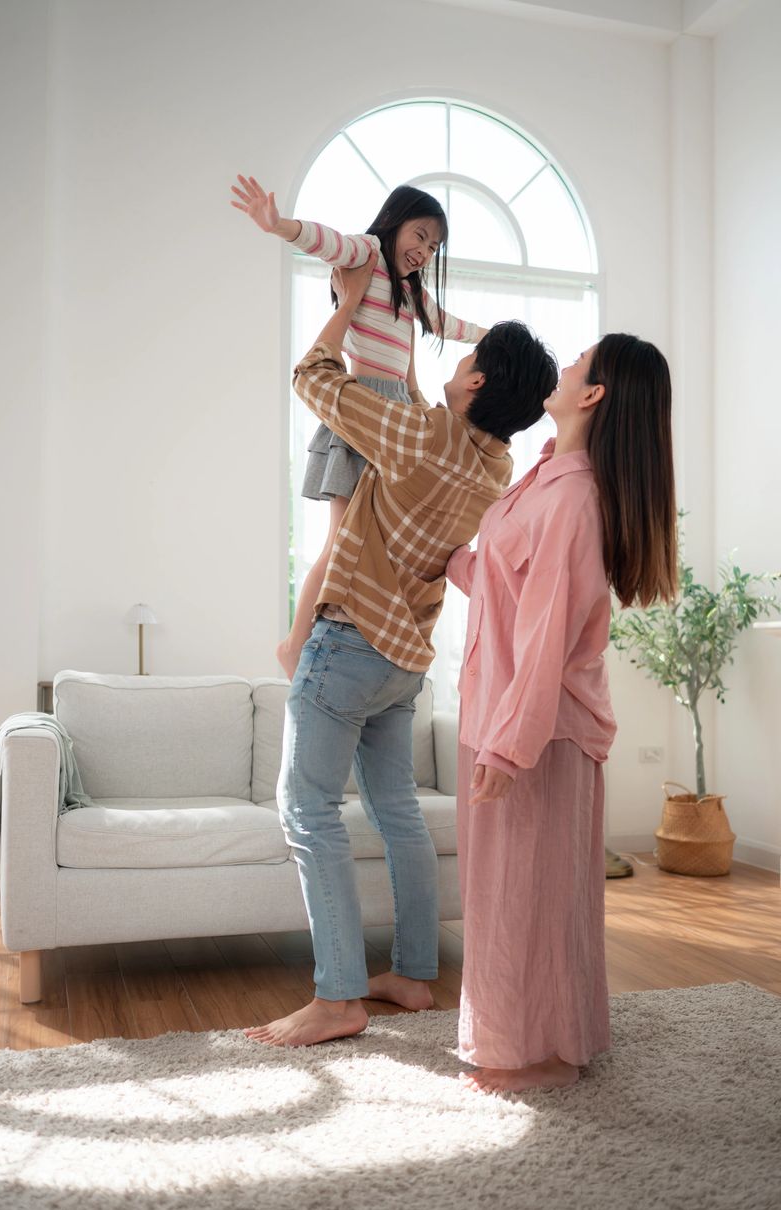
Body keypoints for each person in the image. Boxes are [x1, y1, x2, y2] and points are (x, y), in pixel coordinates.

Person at [243, 251, 558, 1047]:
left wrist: (349, 305)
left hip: (349, 649)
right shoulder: (497, 467)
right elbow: (432, 424)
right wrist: (415, 357)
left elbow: (311, 375)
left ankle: (339, 996)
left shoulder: (413, 436)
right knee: (396, 813)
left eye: (471, 359)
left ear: (480, 382)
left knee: (307, 810)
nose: (460, 363)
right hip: (407, 663)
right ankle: (414, 975)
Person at [447, 334, 677, 1094]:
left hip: (538, 731)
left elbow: (546, 636)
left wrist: (508, 750)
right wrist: (443, 556)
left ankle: (541, 1054)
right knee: (508, 890)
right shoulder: (545, 477)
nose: (567, 365)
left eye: (580, 360)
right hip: (501, 712)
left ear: (594, 396)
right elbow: (508, 592)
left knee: (532, 893)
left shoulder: (576, 498)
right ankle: (539, 1038)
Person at [230, 175, 487, 679]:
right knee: (339, 542)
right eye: (419, 236)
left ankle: (353, 638)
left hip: (394, 417)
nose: (424, 251)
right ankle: (295, 642)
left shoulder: (410, 295)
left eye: (433, 246)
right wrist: (278, 224)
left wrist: (492, 338)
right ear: (394, 224)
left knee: (371, 543)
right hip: (360, 411)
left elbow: (446, 324)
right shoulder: (366, 254)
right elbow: (324, 239)